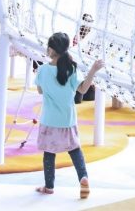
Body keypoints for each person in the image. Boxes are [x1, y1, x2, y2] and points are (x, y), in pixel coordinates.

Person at [34, 32, 104, 198]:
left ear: (51, 50)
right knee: (74, 151)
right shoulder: (71, 68)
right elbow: (83, 90)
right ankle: (83, 178)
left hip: (49, 120)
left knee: (49, 154)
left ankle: (49, 186)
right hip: (68, 120)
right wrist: (93, 70)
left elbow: (39, 90)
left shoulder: (43, 70)